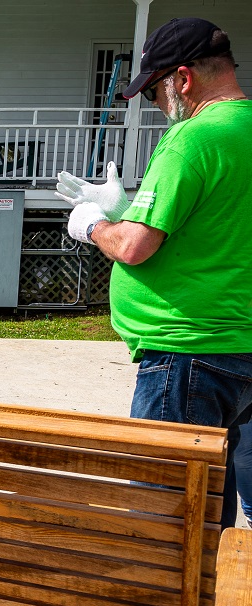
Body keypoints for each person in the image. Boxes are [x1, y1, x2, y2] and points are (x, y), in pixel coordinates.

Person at [57, 17, 252, 527]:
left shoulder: (192, 138)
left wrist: (94, 224)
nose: (156, 105)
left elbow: (134, 246)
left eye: (153, 92)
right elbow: (217, 228)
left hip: (188, 355)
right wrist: (126, 210)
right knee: (213, 509)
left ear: (182, 79)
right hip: (241, 349)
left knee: (163, 522)